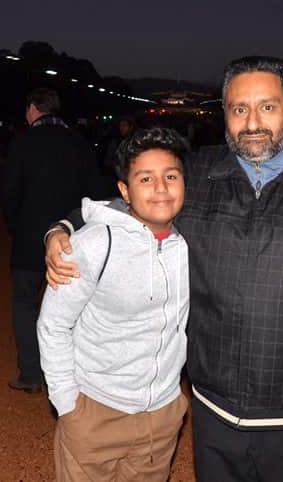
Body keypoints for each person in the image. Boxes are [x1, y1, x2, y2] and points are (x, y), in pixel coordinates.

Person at [46, 57, 283, 480]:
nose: (252, 122)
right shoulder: (197, 174)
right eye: (238, 109)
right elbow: (133, 202)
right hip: (214, 414)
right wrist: (63, 227)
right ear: (224, 114)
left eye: (266, 107)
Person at [38, 127, 190, 481]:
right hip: (95, 411)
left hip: (163, 415)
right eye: (146, 178)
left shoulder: (193, 240)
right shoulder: (94, 245)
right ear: (125, 190)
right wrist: (68, 405)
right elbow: (53, 324)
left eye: (171, 176)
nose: (161, 188)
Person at [3, 88, 96, 393]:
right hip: (72, 240)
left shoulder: (23, 141)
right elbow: (92, 192)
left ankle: (30, 374)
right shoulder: (79, 142)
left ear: (33, 109)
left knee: (25, 304)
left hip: (31, 239)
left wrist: (15, 226)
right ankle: (73, 376)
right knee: (75, 310)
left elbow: (11, 193)